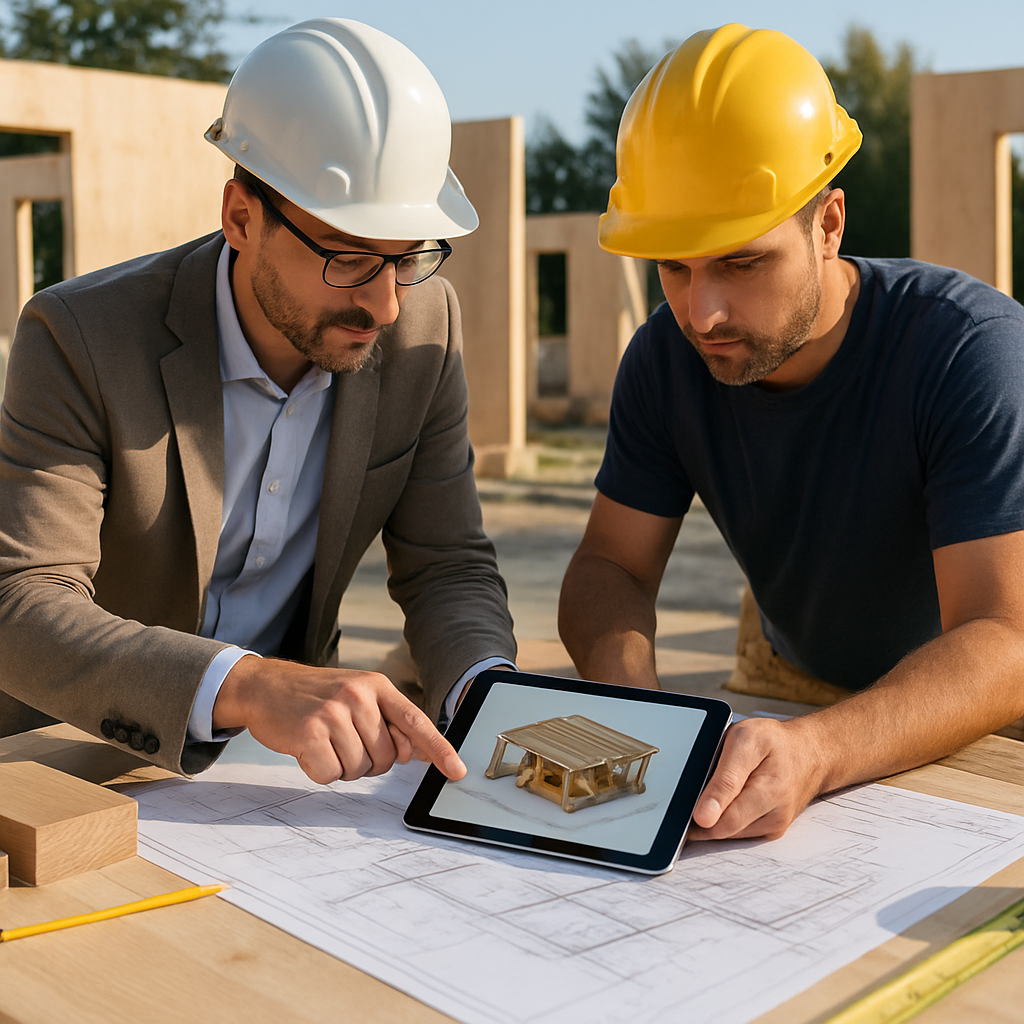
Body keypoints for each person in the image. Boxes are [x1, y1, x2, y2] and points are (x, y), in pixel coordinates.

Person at [0, 19, 516, 784]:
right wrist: (245, 685)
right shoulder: (80, 337)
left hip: (298, 771)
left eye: (408, 259)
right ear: (241, 217)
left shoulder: (425, 332)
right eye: (347, 258)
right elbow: (22, 604)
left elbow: (447, 567)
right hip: (77, 763)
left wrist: (488, 696)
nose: (385, 306)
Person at [558, 24, 1024, 841]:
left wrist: (821, 750)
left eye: (741, 263)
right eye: (673, 265)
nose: (701, 313)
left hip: (984, 710)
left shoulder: (970, 351)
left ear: (830, 223)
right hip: (788, 684)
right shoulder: (664, 361)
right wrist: (636, 705)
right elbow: (608, 565)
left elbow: (1004, 638)